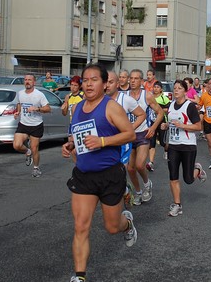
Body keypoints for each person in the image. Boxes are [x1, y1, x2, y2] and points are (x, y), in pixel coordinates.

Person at [62, 64, 137, 282]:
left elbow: (130, 134)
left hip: (110, 175)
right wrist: (70, 146)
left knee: (112, 227)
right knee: (80, 226)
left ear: (105, 85)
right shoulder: (77, 109)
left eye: (94, 79)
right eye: (85, 80)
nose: (88, 84)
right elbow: (78, 137)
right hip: (84, 175)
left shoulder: (111, 107)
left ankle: (128, 223)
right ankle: (79, 276)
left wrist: (103, 141)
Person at [105, 71, 147, 208]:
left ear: (117, 84)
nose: (107, 85)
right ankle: (125, 188)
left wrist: (130, 128)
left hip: (124, 142)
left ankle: (128, 193)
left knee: (123, 170)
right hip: (107, 142)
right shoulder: (100, 100)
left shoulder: (126, 100)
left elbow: (142, 115)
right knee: (109, 174)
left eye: (110, 82)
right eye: (105, 82)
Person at [166, 79, 207, 217]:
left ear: (185, 91)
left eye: (179, 88)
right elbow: (170, 121)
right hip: (173, 145)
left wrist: (182, 126)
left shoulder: (189, 106)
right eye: (175, 88)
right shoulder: (170, 105)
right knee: (173, 176)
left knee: (188, 179)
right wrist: (166, 125)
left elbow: (198, 126)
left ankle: (198, 169)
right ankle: (177, 205)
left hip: (188, 146)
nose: (176, 90)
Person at [127, 69, 164, 205]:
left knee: (139, 165)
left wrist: (153, 128)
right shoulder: (124, 96)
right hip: (129, 135)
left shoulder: (147, 96)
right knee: (130, 169)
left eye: (136, 78)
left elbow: (160, 113)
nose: (132, 81)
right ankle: (137, 192)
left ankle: (147, 184)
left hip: (143, 134)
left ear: (141, 81)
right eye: (131, 78)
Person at [12, 74, 51, 177]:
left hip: (36, 125)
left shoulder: (39, 95)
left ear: (34, 82)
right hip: (23, 124)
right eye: (25, 80)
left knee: (35, 148)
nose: (27, 82)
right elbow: (19, 104)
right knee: (16, 145)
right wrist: (18, 112)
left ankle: (36, 168)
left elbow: (48, 109)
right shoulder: (20, 93)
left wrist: (37, 109)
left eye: (29, 80)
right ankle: (27, 151)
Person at [147, 81, 170, 172]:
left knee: (162, 142)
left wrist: (158, 109)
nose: (155, 88)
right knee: (151, 143)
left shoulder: (164, 98)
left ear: (161, 89)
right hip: (152, 122)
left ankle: (166, 150)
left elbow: (167, 109)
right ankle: (151, 162)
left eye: (157, 87)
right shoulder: (150, 97)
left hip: (162, 122)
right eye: (154, 87)